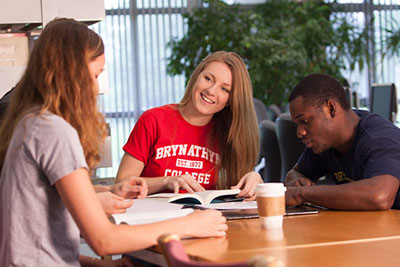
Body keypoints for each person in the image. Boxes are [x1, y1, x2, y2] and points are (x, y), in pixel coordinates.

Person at [0, 18, 227, 267]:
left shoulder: (30, 121)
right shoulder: (53, 131)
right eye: (95, 75)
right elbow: (104, 240)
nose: (96, 88)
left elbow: (36, 236)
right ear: (70, 72)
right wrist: (188, 224)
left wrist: (101, 264)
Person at [116, 51, 263, 199]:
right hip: (153, 218)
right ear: (196, 77)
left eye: (224, 89)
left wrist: (254, 179)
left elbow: (243, 188)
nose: (211, 91)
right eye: (208, 79)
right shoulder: (153, 120)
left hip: (204, 218)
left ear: (231, 100)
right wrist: (166, 181)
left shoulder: (230, 133)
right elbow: (121, 184)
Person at [285, 73, 400, 210]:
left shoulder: (379, 138)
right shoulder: (325, 143)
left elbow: (380, 196)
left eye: (304, 121)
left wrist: (302, 194)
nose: (299, 133)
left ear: (331, 109)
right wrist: (297, 182)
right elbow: (294, 173)